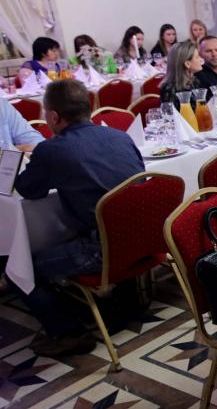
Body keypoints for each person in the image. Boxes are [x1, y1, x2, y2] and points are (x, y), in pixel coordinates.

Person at [12, 79, 144, 357]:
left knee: (20, 267)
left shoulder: (53, 150)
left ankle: (69, 333)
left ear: (53, 116)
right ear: (89, 106)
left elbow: (29, 190)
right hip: (144, 238)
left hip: (101, 250)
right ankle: (124, 304)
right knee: (103, 222)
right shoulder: (120, 136)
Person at [160, 41, 203, 108]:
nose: (201, 59)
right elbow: (170, 113)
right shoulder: (169, 89)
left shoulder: (194, 80)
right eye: (197, 57)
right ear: (187, 64)